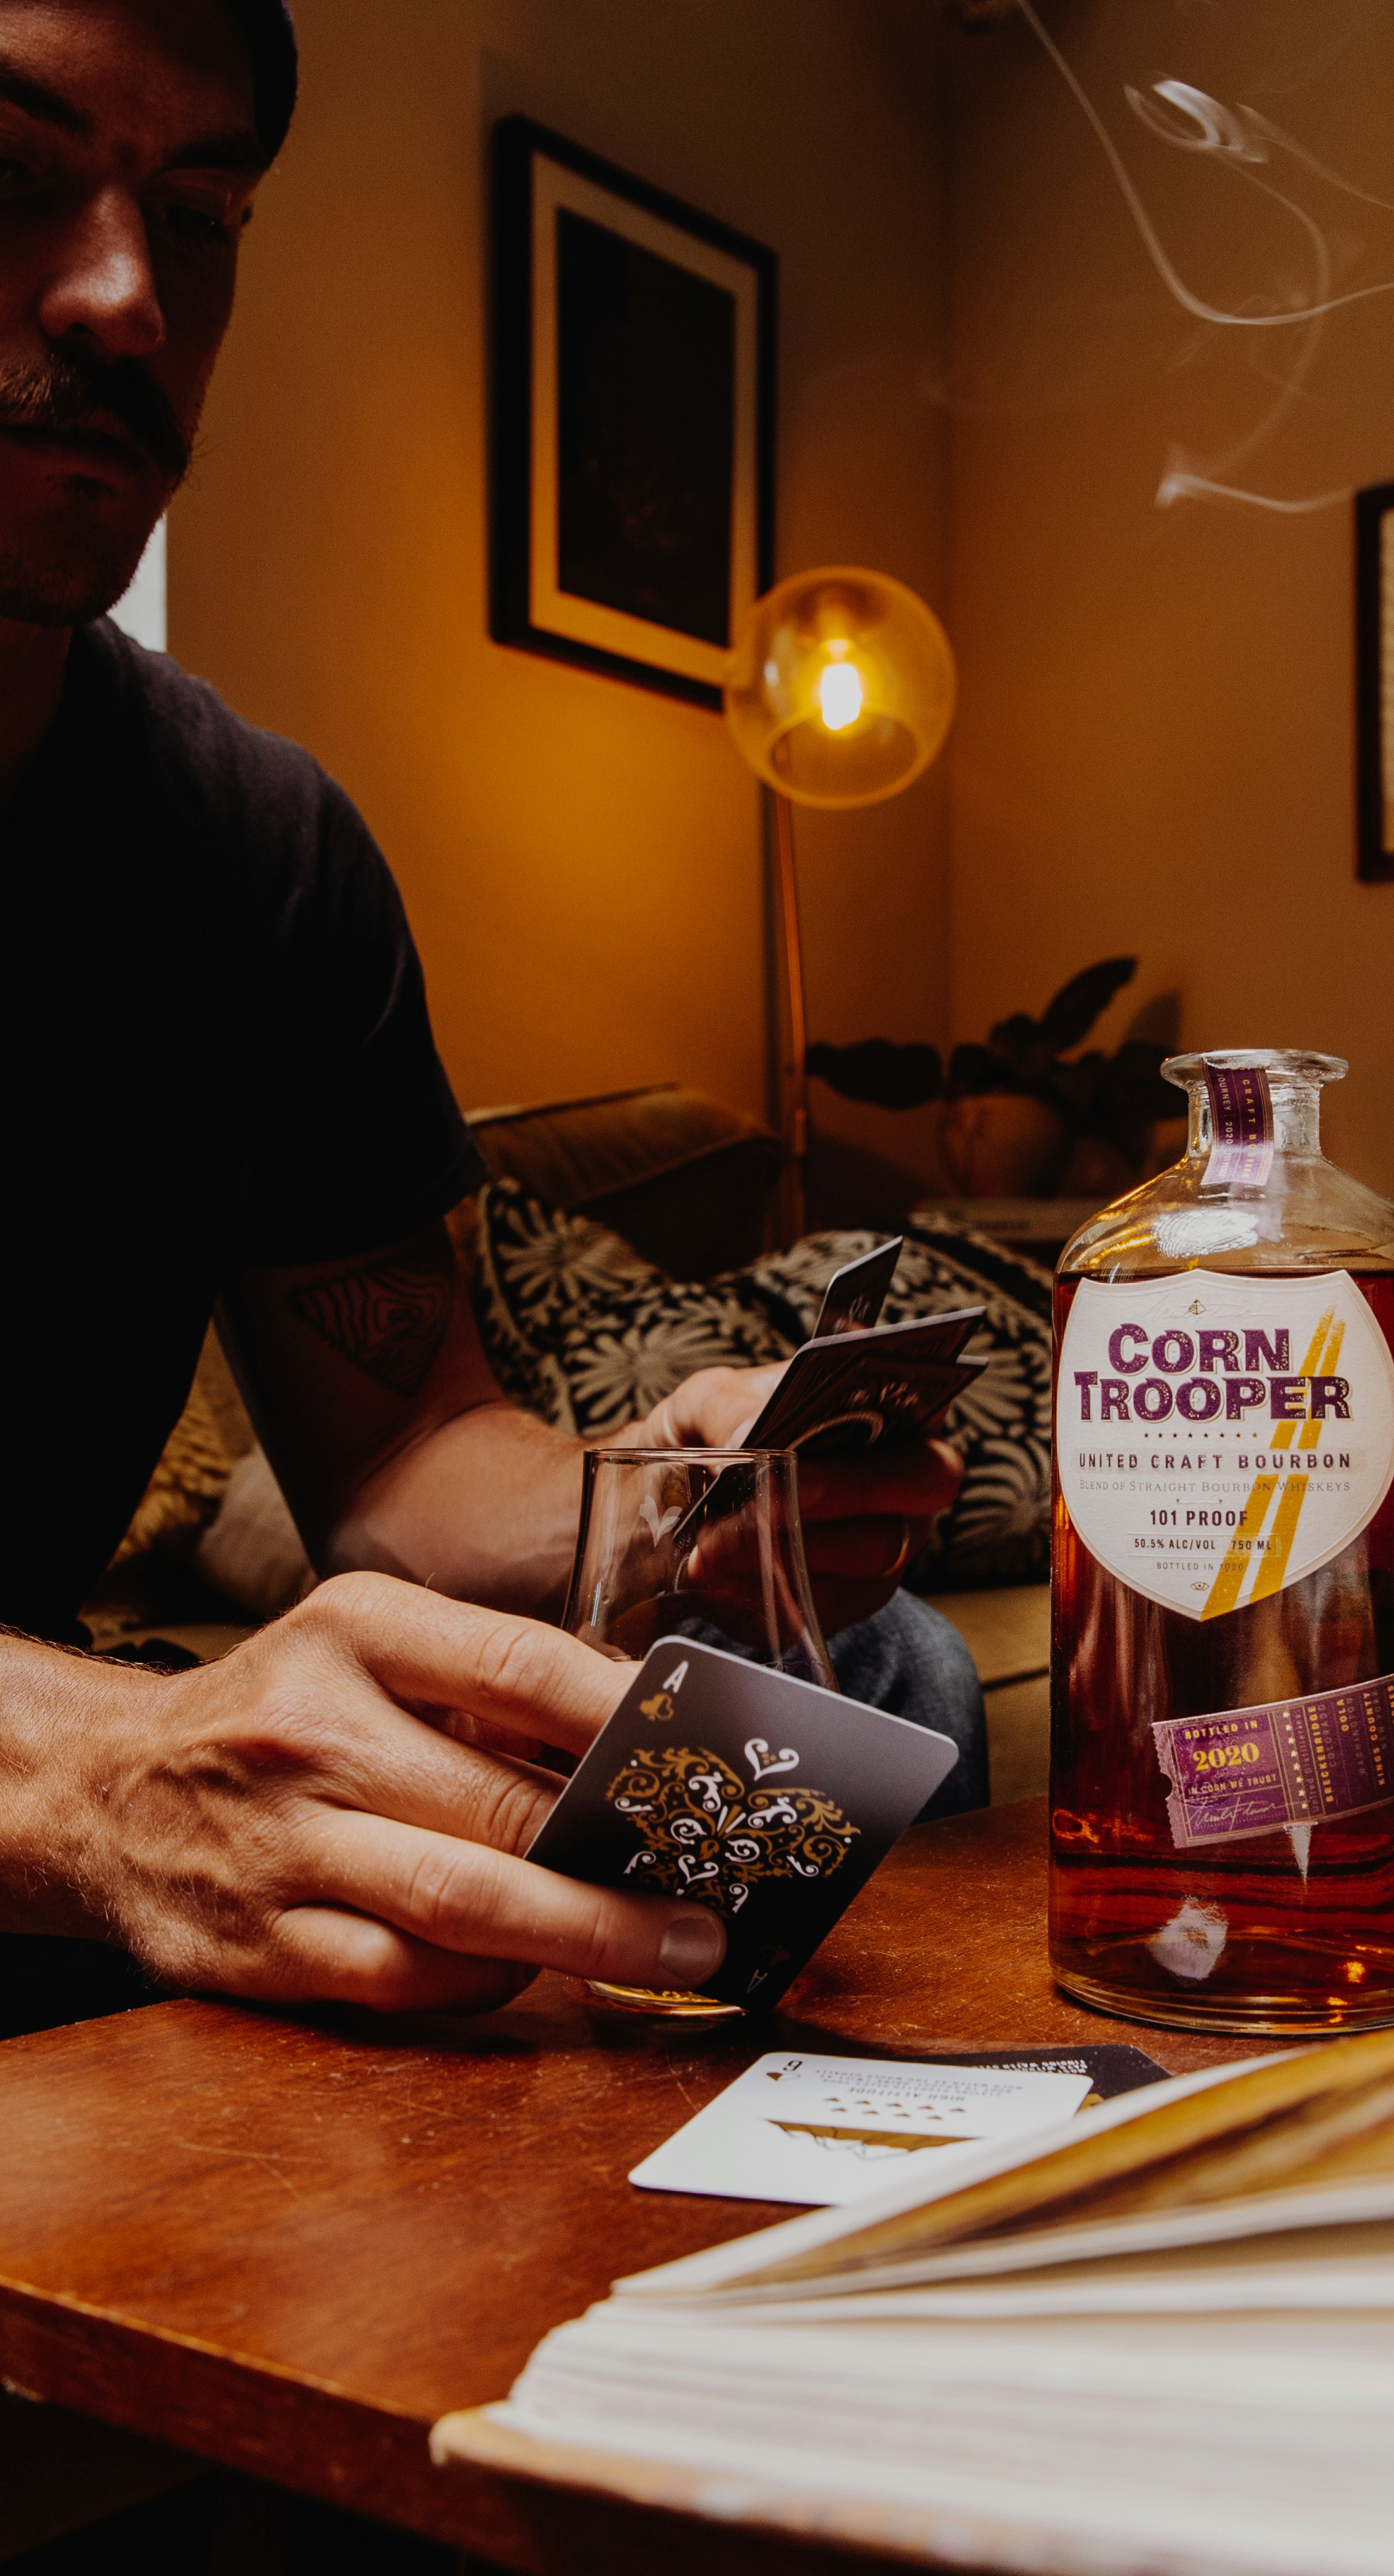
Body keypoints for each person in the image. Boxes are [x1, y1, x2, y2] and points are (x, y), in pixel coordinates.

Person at [0, 0, 984, 2047]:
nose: (120, 298)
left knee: (888, 1687)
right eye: (8, 178)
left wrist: (656, 1501)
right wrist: (89, 1772)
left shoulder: (251, 851)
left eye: (199, 215)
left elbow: (403, 1449)